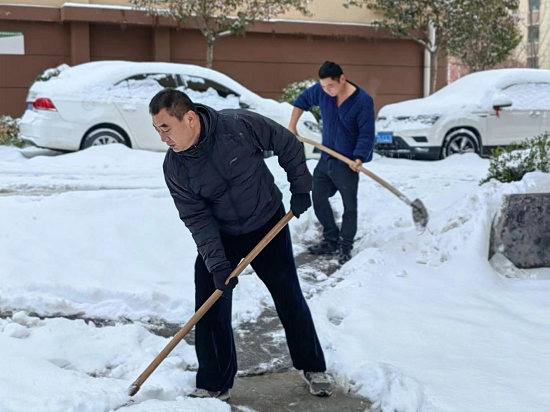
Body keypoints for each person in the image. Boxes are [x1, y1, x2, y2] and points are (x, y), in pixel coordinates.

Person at [149, 88, 332, 401]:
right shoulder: (175, 168)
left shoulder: (238, 126)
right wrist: (218, 264)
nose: (162, 137)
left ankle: (313, 366)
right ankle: (213, 383)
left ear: (190, 118)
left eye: (166, 127)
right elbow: (197, 220)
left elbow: (286, 143)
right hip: (221, 236)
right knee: (209, 305)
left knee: (288, 294)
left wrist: (301, 187)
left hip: (267, 224)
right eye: (157, 130)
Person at [288, 61, 375, 265]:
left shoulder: (362, 101)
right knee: (318, 197)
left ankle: (345, 245)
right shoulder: (321, 90)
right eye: (324, 86)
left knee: (349, 206)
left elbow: (367, 133)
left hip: (347, 163)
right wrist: (292, 127)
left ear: (342, 79)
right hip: (325, 158)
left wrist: (359, 157)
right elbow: (300, 101)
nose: (326, 91)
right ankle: (330, 239)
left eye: (330, 86)